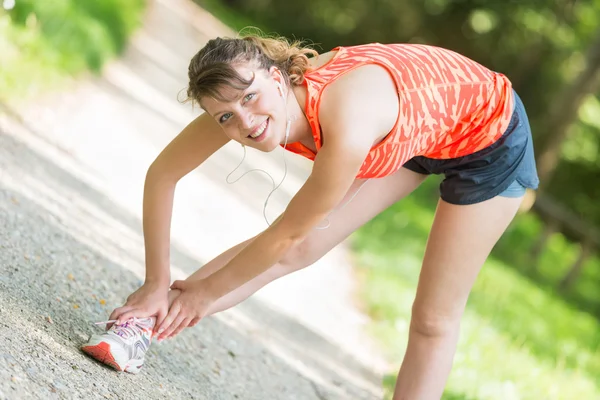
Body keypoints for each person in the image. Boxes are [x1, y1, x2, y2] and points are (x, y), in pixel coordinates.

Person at [81, 32, 539, 398]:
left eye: (251, 98)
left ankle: (165, 314)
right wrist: (156, 281)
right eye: (225, 117)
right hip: (420, 128)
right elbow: (163, 175)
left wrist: (202, 296)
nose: (245, 121)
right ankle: (141, 322)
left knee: (432, 318)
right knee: (302, 248)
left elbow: (286, 238)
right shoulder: (234, 98)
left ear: (277, 78)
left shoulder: (348, 118)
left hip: (490, 138)